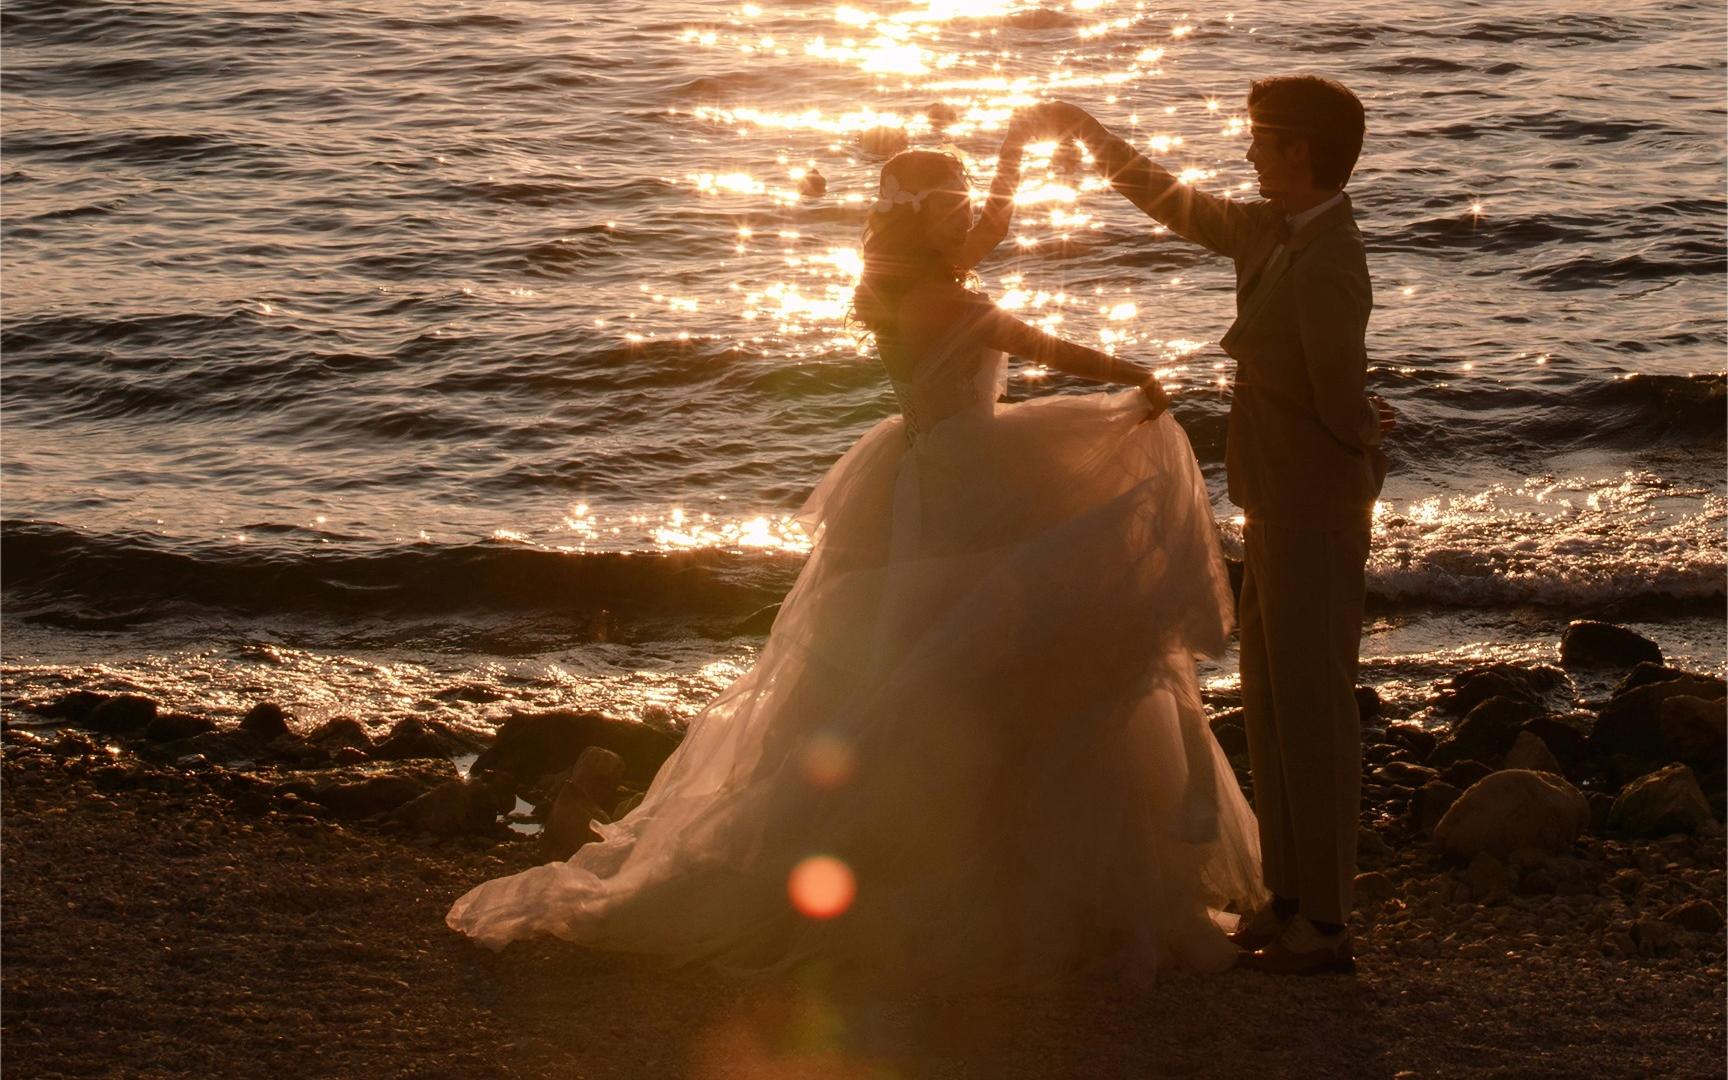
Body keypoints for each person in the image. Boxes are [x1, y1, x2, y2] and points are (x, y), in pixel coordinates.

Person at [446, 121, 1266, 991]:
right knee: (967, 665)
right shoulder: (937, 300)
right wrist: (1137, 375)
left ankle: (1008, 855)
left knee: (963, 663)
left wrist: (1021, 145)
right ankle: (967, 874)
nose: (969, 218)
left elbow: (996, 227)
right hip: (961, 484)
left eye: (960, 200)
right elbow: (1042, 347)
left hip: (932, 469)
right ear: (923, 218)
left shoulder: (913, 274)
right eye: (950, 203)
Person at [1031, 76, 1389, 975]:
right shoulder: (1270, 232)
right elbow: (1170, 200)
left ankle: (1330, 923)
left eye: (1261, 141)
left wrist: (1367, 449)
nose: (1248, 153)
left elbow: (1340, 396)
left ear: (1299, 152)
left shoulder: (1333, 257)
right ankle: (1289, 897)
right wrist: (1088, 131)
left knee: (1314, 711)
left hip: (1315, 504)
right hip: (1272, 498)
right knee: (1271, 700)